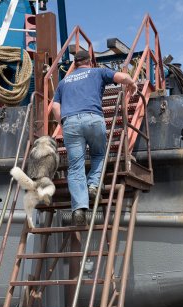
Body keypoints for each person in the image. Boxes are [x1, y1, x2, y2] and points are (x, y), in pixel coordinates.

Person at [52, 50, 137, 225]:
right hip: (93, 118)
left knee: (76, 166)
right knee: (99, 154)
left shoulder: (63, 81)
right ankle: (93, 186)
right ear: (90, 62)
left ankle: (79, 209)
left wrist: (63, 123)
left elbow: (54, 107)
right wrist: (132, 84)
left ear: (74, 64)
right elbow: (121, 77)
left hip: (70, 123)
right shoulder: (98, 72)